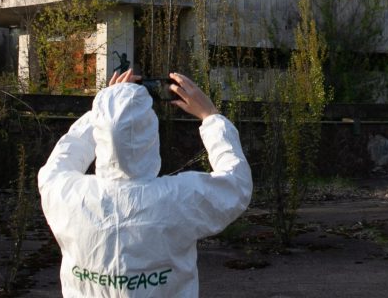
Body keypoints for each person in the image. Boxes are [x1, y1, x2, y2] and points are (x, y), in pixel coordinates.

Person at [38, 69, 253, 297]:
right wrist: (210, 117)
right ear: (151, 135)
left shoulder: (65, 194)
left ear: (99, 133)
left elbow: (65, 154)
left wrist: (106, 109)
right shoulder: (177, 200)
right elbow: (236, 183)